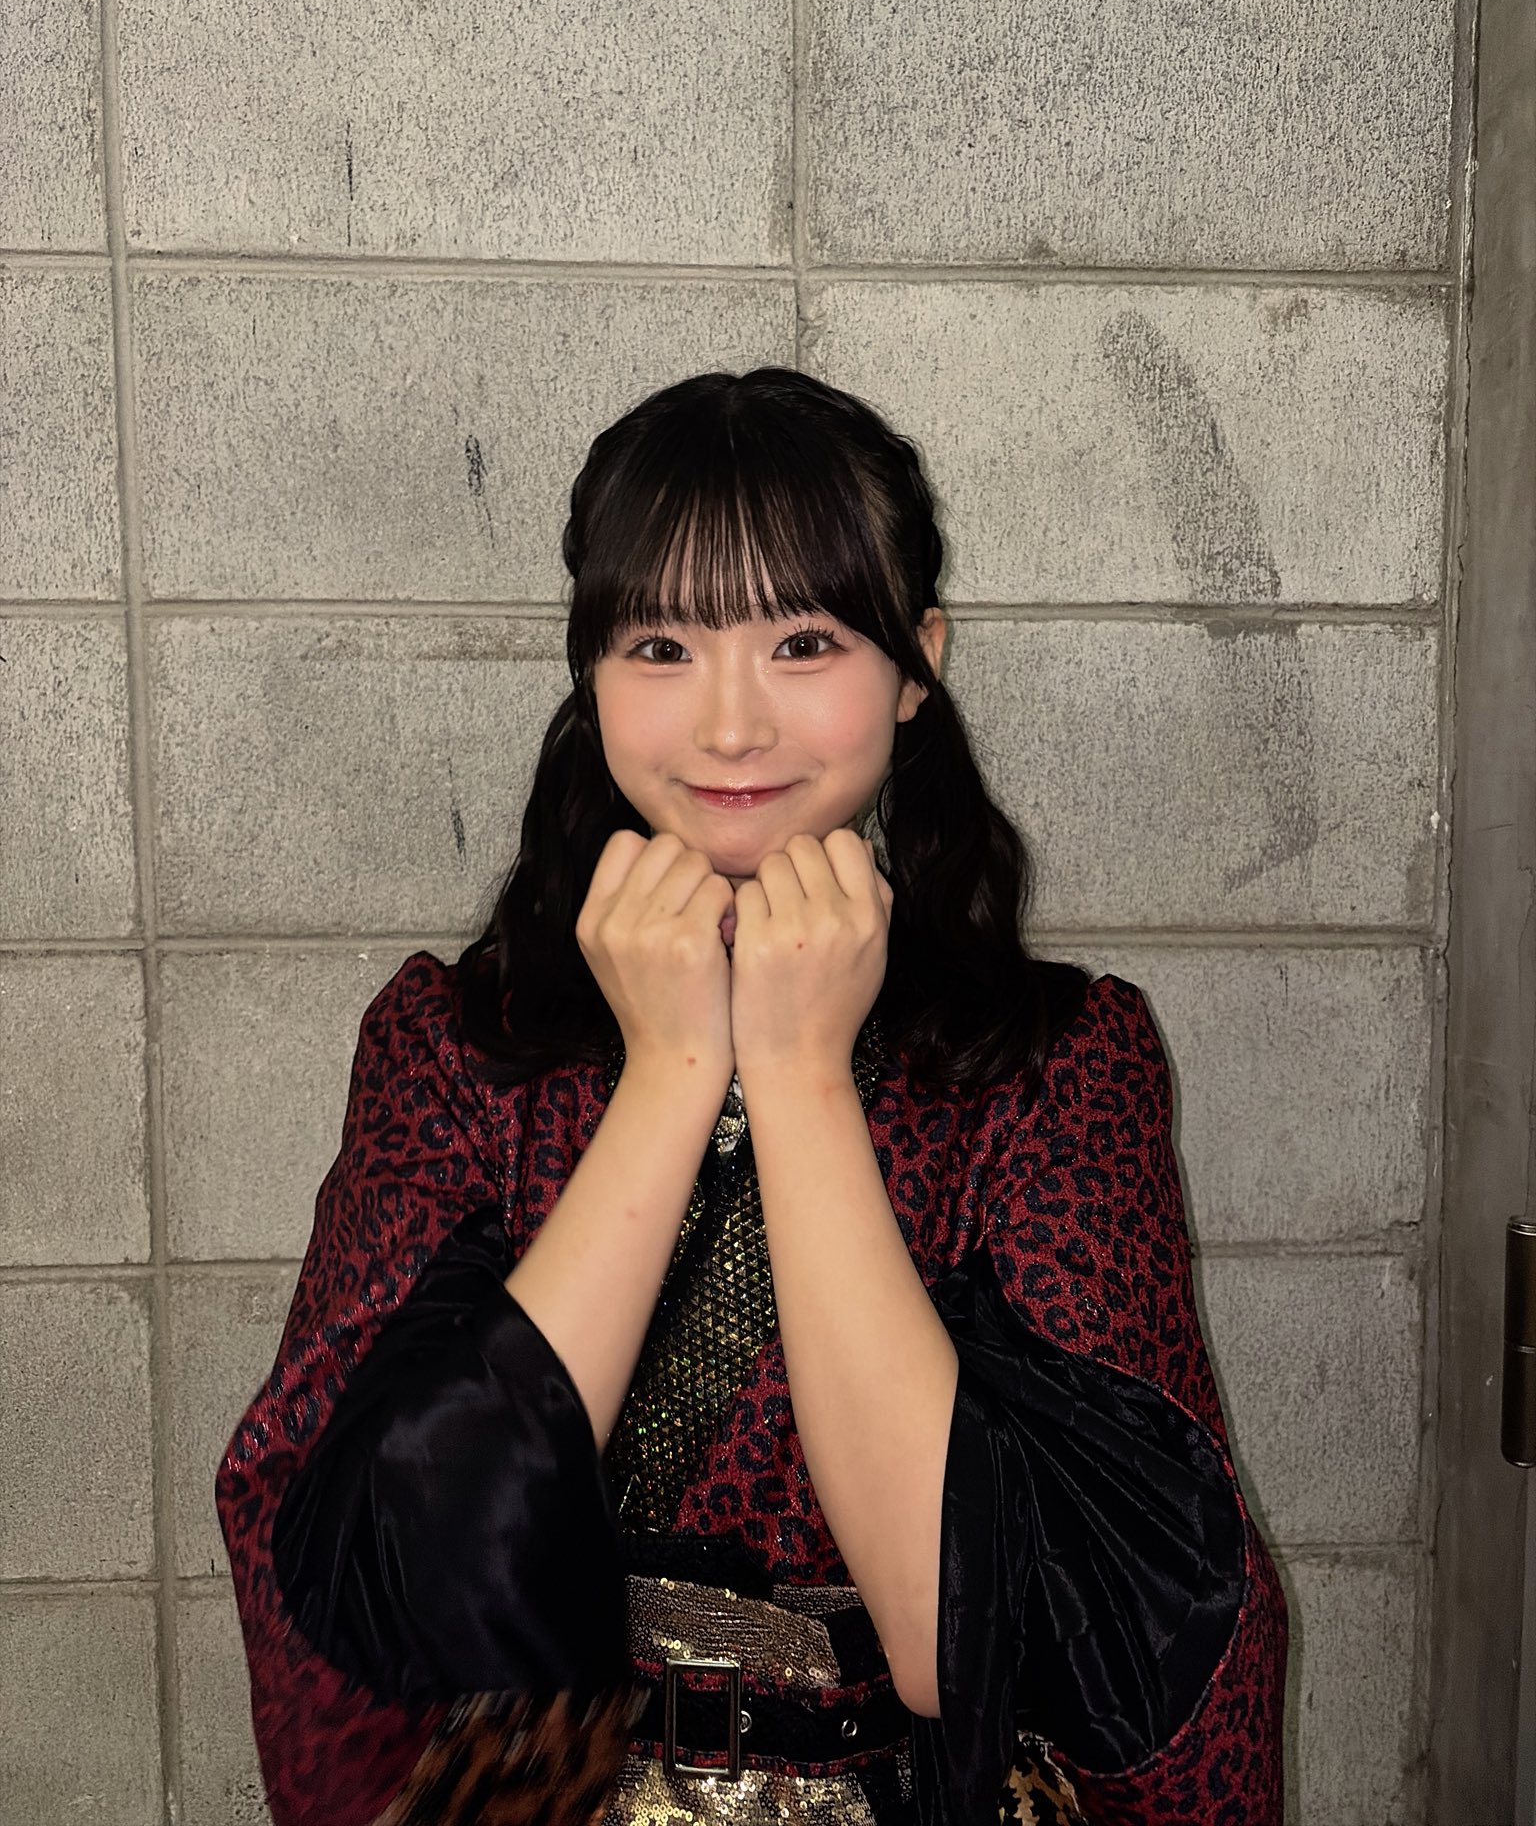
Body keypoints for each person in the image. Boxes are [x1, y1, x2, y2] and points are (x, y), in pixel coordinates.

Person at [218, 366, 1287, 1825]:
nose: (730, 727)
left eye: (803, 641)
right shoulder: (454, 1047)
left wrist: (796, 1073)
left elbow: (988, 1643)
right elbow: (389, 1594)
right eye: (661, 645)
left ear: (916, 665)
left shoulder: (1057, 1064)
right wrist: (671, 1073)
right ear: (590, 673)